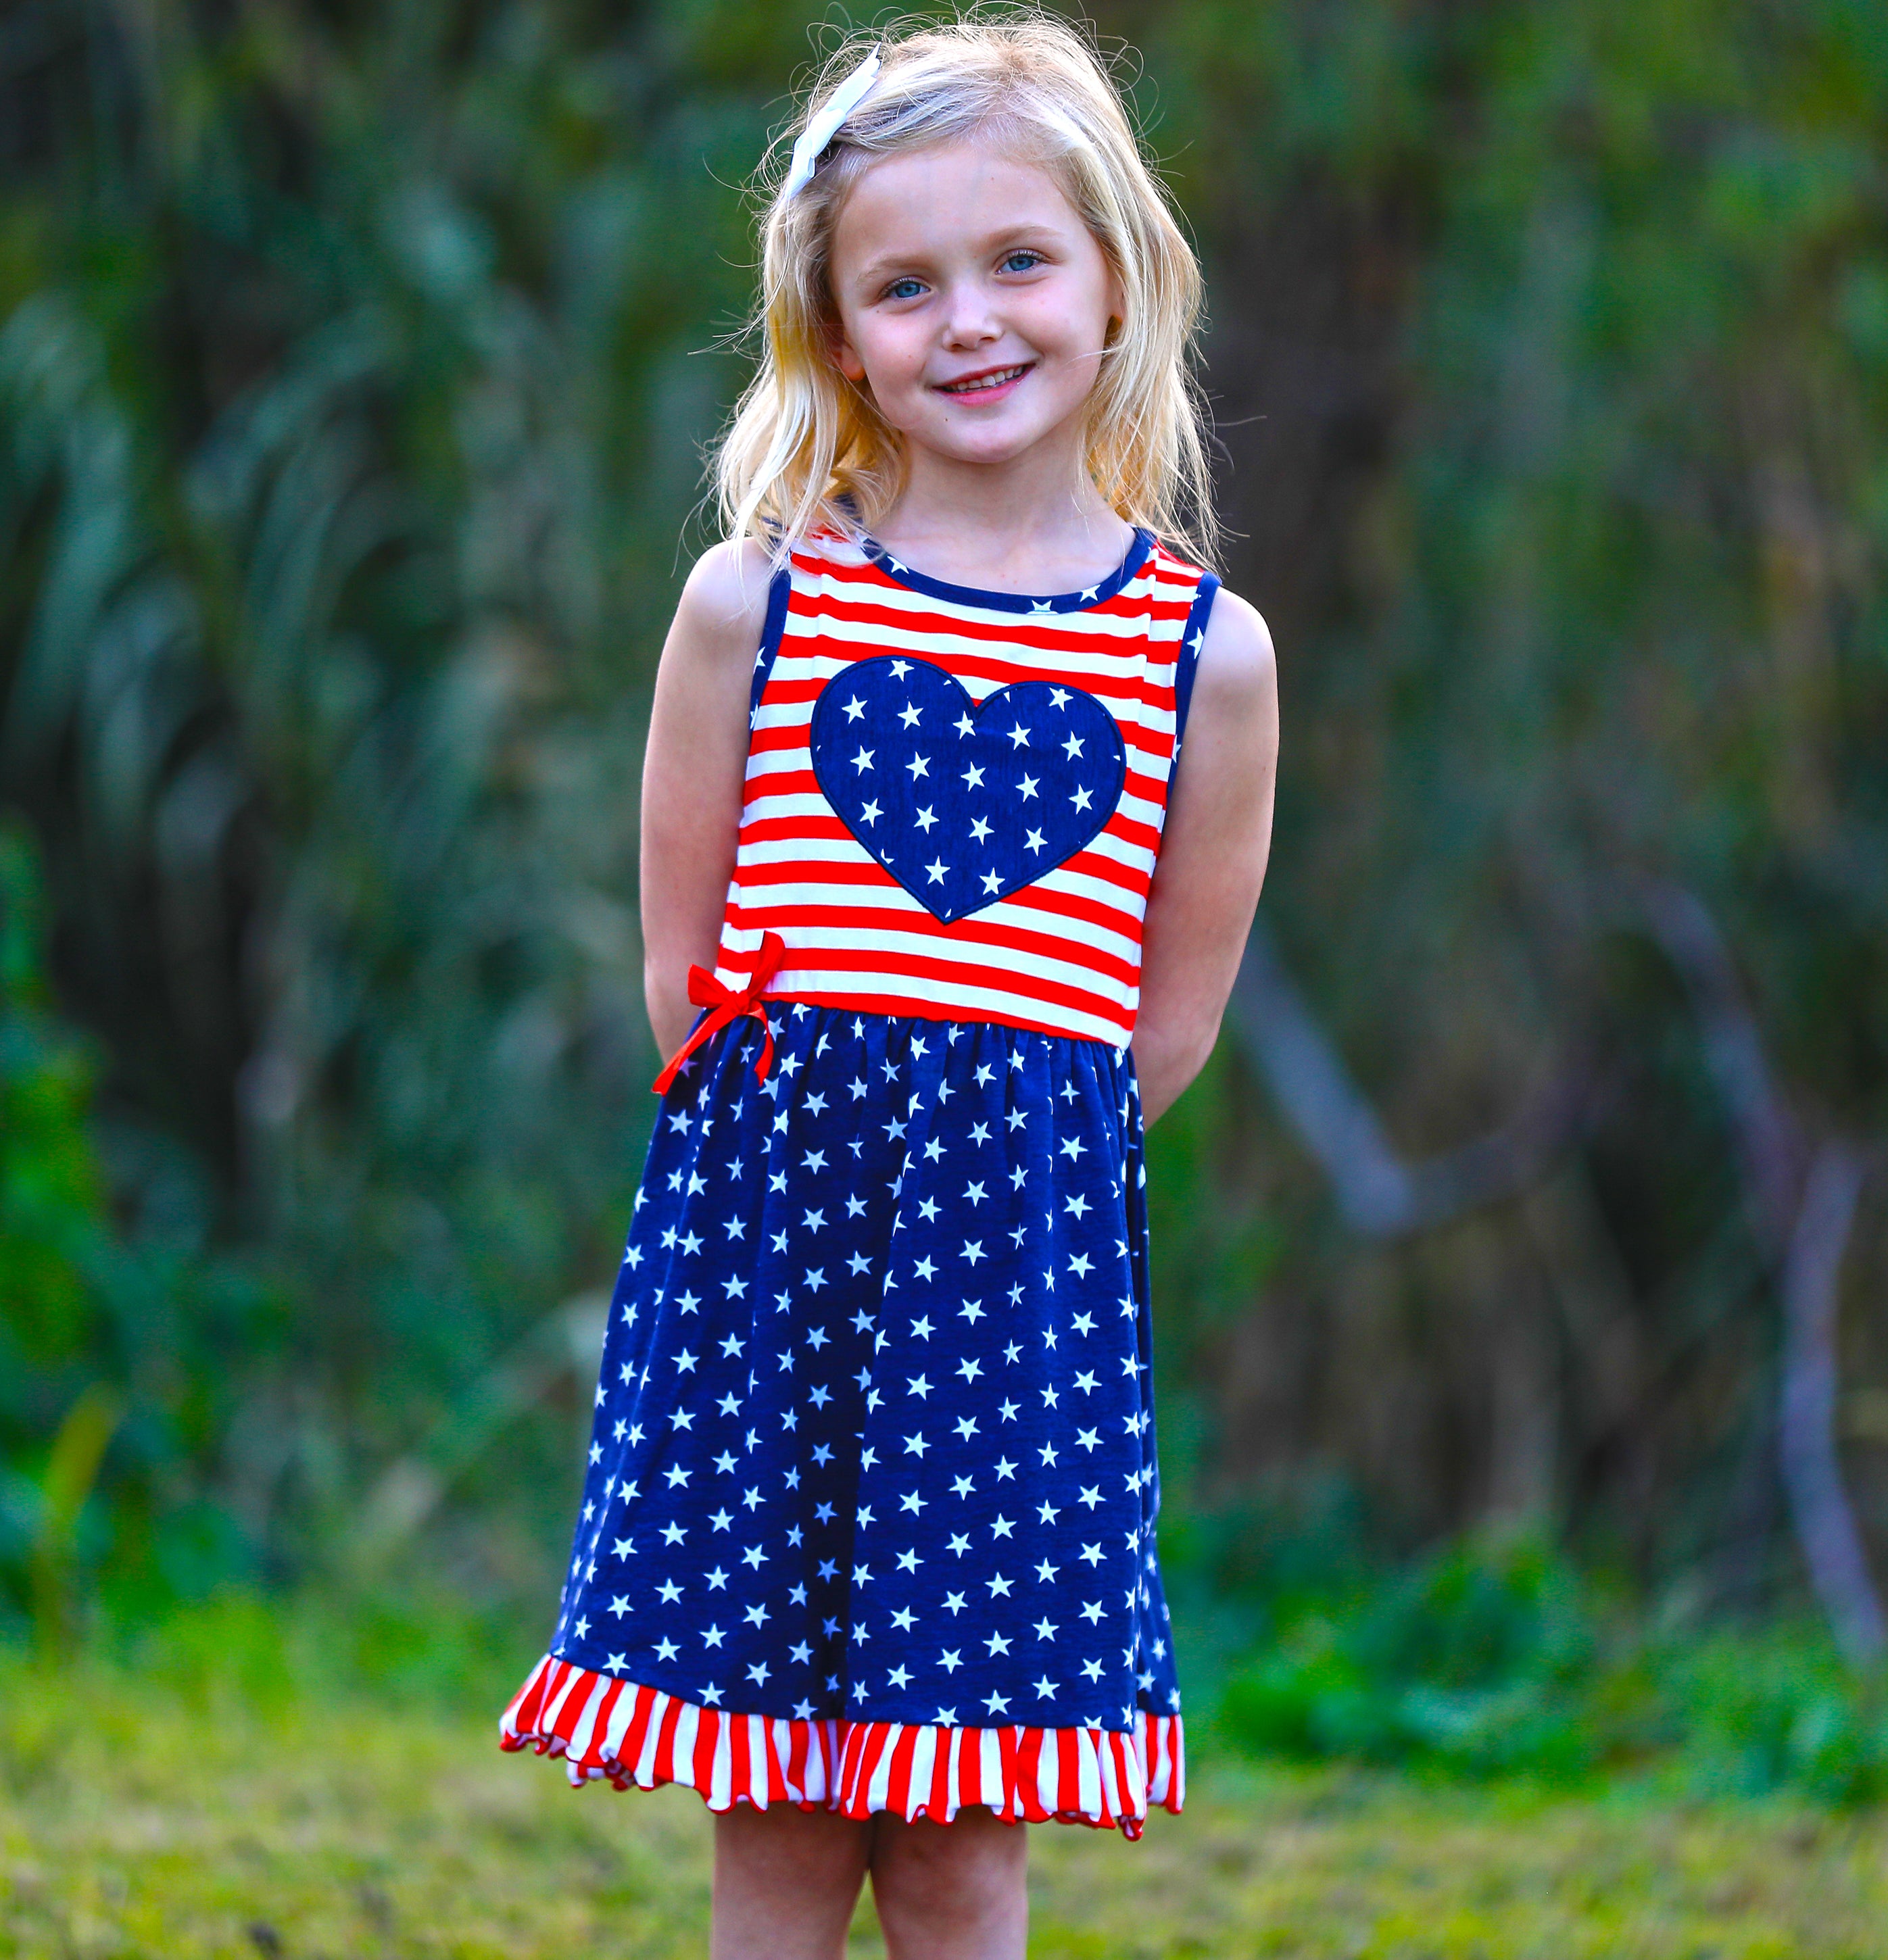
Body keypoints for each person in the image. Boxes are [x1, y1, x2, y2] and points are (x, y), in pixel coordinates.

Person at [499, 15, 1277, 1957]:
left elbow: (1158, 1028)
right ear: (836, 333)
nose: (971, 319)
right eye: (903, 284)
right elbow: (688, 969)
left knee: (954, 1826)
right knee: (774, 1798)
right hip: (773, 1276)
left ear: (1115, 276)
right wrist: (824, 1163)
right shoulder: (753, 604)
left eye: (1018, 261)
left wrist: (980, 1175)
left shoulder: (1206, 654)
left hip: (1009, 1304)